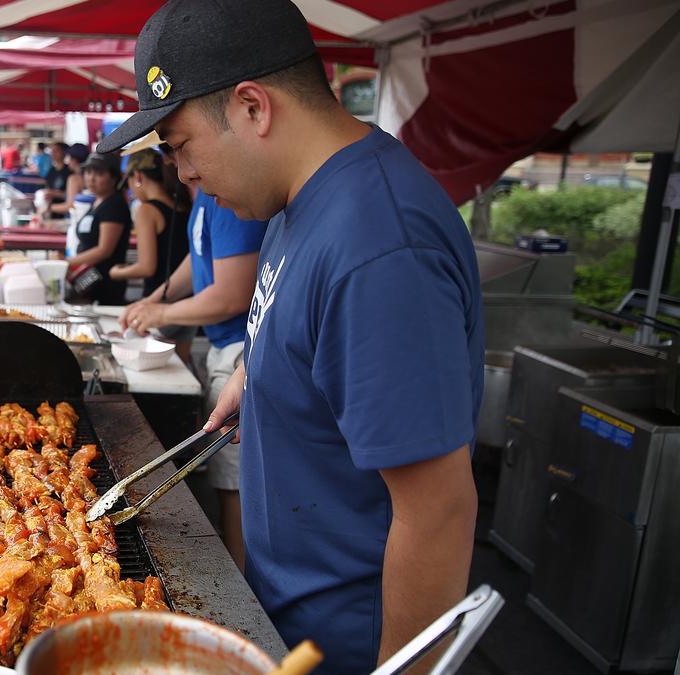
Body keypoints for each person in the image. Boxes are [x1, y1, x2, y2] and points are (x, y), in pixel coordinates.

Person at [99, 1, 482, 672]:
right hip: (284, 619)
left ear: (253, 107)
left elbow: (439, 511)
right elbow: (295, 319)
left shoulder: (382, 248)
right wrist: (257, 372)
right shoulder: (290, 201)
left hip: (352, 643)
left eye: (182, 147)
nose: (182, 175)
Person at [120, 188, 265, 569]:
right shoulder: (205, 198)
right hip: (225, 351)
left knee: (235, 487)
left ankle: (242, 588)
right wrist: (155, 300)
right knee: (225, 482)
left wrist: (162, 313)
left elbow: (230, 295)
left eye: (181, 146)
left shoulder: (230, 196)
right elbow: (198, 259)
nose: (181, 169)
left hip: (239, 350)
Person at [109, 148, 190, 301]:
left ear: (138, 176)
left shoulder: (146, 211)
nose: (131, 190)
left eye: (129, 183)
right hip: (186, 296)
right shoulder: (183, 204)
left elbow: (146, 267)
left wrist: (116, 272)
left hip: (158, 298)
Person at [66, 151, 131, 305]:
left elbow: (104, 250)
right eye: (88, 172)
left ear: (114, 177)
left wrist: (68, 262)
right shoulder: (98, 201)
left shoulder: (114, 205)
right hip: (89, 278)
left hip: (104, 283)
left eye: (99, 173)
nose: (91, 178)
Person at [42, 144, 88, 220]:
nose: (67, 161)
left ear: (74, 160)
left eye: (68, 157)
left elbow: (70, 206)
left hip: (74, 219)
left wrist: (48, 208)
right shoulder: (88, 177)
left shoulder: (74, 178)